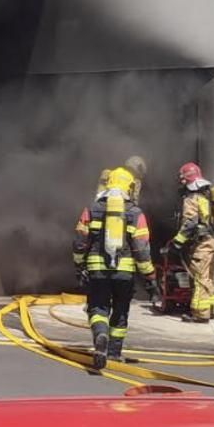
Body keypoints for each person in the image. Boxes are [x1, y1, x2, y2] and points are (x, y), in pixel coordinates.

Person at [73, 156, 158, 370]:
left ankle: (100, 336)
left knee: (98, 307)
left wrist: (79, 266)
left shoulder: (91, 209)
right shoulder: (135, 213)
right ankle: (114, 353)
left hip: (97, 270)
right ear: (130, 188)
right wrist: (150, 280)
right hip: (124, 273)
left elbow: (80, 242)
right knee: (120, 311)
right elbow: (142, 250)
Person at [164, 162, 214, 323]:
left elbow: (189, 224)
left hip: (202, 244)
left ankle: (200, 314)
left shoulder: (192, 198)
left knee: (199, 278)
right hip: (213, 242)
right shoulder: (208, 195)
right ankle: (211, 310)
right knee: (208, 277)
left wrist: (177, 244)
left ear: (186, 180)